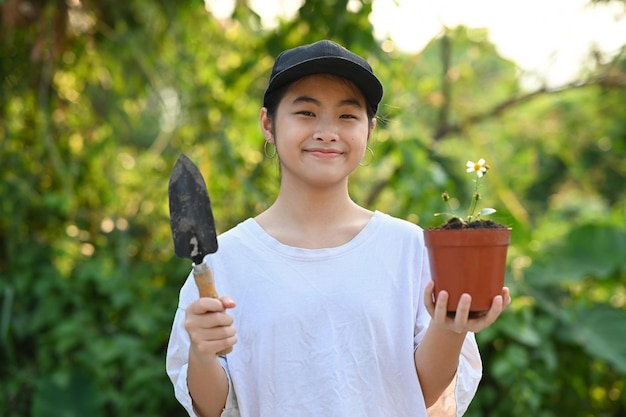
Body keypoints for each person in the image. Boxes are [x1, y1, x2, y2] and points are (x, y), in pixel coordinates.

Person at [166, 39, 510, 417]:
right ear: (268, 123)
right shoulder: (224, 262)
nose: (328, 132)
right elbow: (211, 408)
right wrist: (201, 351)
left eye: (348, 116)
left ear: (369, 129)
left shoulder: (411, 249)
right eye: (306, 113)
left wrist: (451, 327)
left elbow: (422, 395)